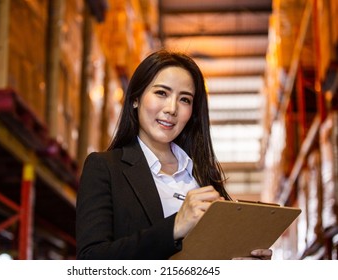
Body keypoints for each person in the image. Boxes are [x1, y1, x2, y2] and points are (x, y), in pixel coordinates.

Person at [75, 49, 272, 260]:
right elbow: (91, 260)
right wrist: (175, 226)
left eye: (185, 99)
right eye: (161, 93)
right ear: (135, 98)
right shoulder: (105, 169)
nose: (172, 108)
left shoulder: (203, 176)